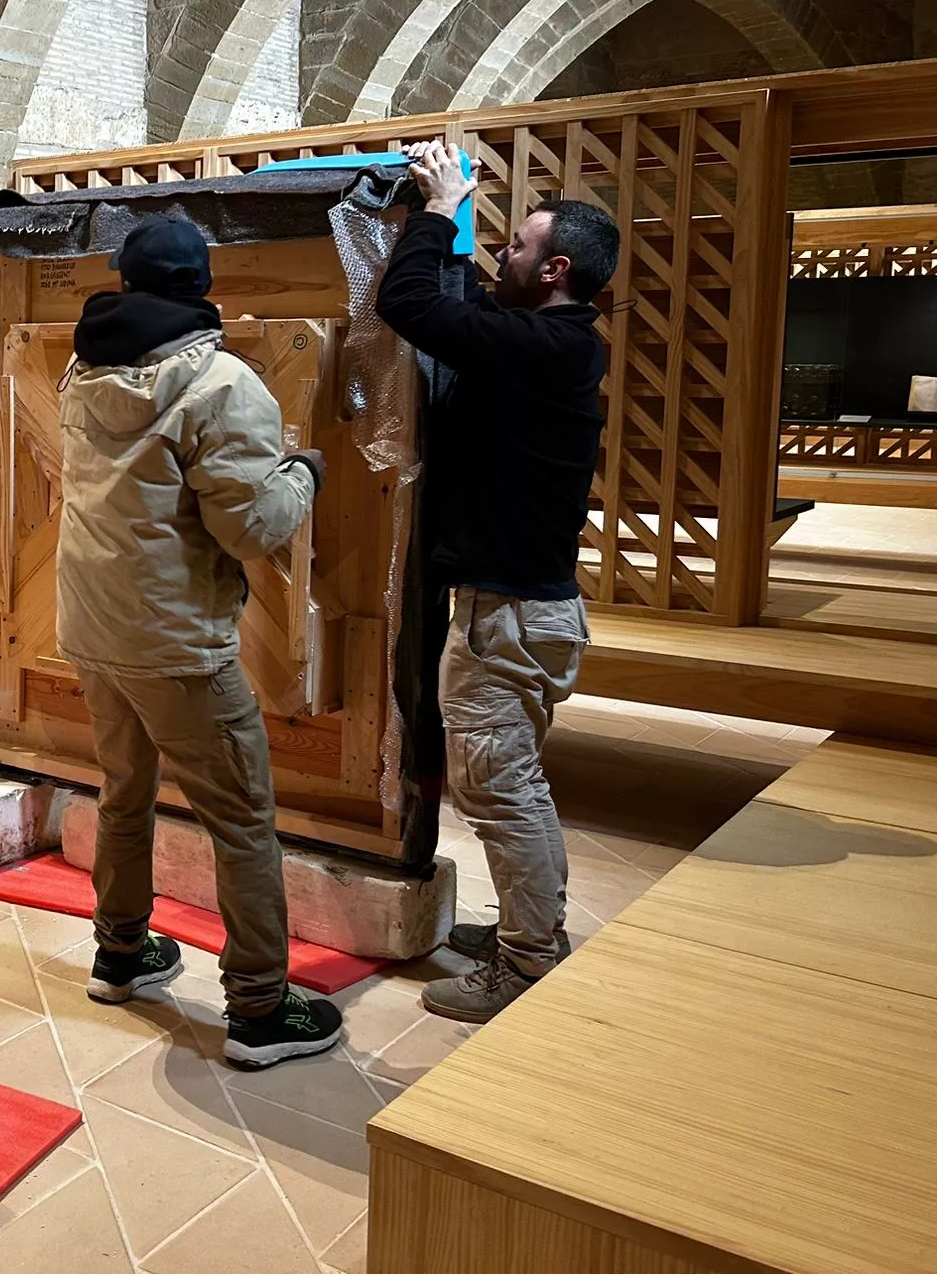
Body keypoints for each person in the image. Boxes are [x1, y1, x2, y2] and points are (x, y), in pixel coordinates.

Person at [56, 214, 344, 1070]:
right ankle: (259, 1008)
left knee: (124, 792)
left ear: (124, 280)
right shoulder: (223, 383)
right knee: (243, 821)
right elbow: (250, 527)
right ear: (201, 287)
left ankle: (120, 954)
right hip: (177, 642)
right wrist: (304, 473)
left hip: (93, 627)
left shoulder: (81, 368)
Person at [375, 141, 619, 1022]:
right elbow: (462, 306)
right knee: (511, 783)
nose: (500, 255)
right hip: (525, 610)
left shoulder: (545, 346)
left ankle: (524, 962)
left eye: (516, 245)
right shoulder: (552, 342)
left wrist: (442, 209)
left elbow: (406, 303)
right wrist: (443, 214)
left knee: (498, 789)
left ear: (556, 270)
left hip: (509, 614)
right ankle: (534, 930)